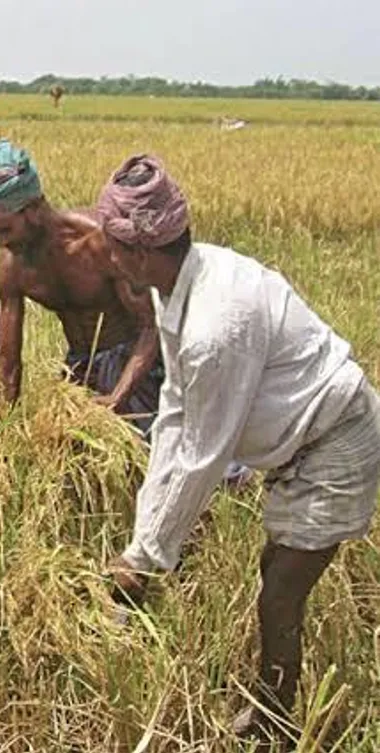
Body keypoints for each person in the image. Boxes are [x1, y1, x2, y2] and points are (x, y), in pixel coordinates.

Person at [99, 155, 380, 747]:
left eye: (114, 246)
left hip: (334, 438)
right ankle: (271, 705)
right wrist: (142, 543)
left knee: (279, 588)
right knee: (273, 573)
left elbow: (204, 456)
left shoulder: (214, 326)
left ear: (143, 253)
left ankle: (276, 724)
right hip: (297, 448)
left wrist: (146, 562)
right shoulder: (177, 285)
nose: (108, 256)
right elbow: (174, 414)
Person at [0, 139, 159, 433]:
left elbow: (150, 327)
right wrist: (1, 428)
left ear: (32, 209)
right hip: (79, 367)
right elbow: (8, 361)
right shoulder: (12, 265)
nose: (1, 241)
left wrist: (117, 397)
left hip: (131, 365)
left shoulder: (100, 242)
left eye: (5, 229)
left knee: (157, 461)